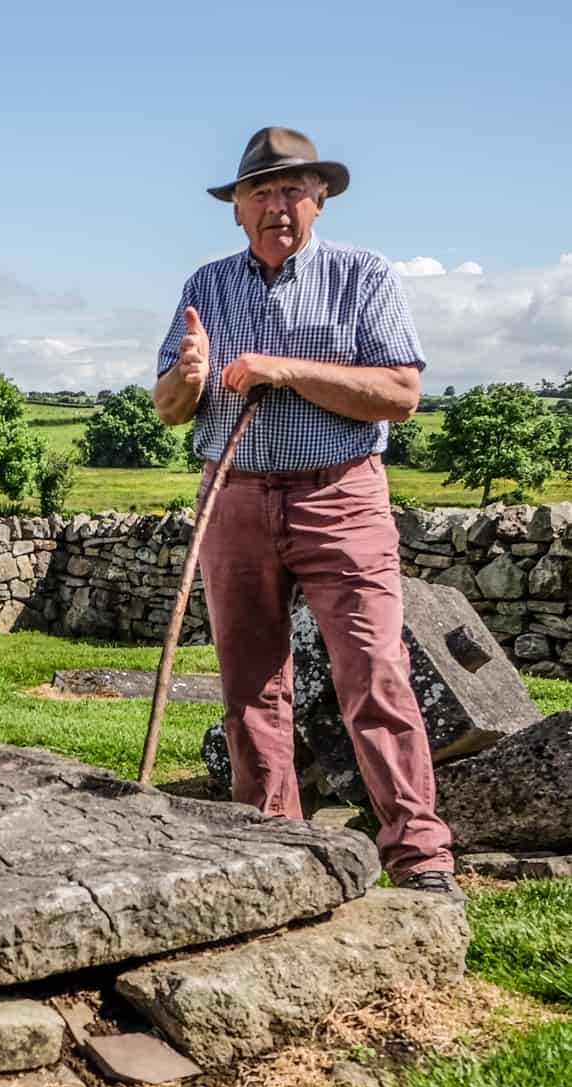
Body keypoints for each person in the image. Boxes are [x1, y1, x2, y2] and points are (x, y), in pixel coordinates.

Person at [153, 126, 461, 901]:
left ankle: (419, 856)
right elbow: (168, 409)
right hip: (234, 498)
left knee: (374, 672)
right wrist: (189, 378)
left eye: (293, 189)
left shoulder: (365, 277)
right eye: (260, 191)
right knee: (248, 685)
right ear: (236, 210)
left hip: (340, 494)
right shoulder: (206, 285)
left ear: (319, 199)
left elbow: (399, 392)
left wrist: (283, 368)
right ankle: (274, 851)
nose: (276, 205)